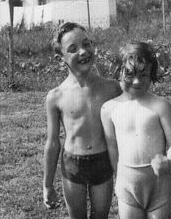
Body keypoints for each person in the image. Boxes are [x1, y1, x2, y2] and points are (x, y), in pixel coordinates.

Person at [43, 22, 122, 219]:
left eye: (86, 44)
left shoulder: (112, 88)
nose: (83, 51)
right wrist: (47, 184)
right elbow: (52, 143)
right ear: (60, 58)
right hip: (73, 165)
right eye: (73, 49)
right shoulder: (56, 96)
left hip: (103, 161)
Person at [101, 42, 171, 219]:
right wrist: (119, 179)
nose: (137, 81)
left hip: (159, 185)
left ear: (152, 73)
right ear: (117, 72)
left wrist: (169, 161)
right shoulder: (109, 109)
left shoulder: (160, 105)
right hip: (128, 185)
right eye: (130, 74)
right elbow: (112, 149)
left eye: (143, 74)